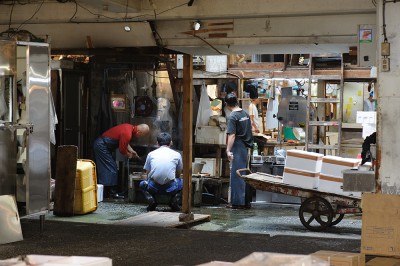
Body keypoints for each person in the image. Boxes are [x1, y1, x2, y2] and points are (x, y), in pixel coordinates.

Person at [93, 123, 150, 198]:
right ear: (139, 132)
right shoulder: (128, 133)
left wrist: (131, 150)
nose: (140, 137)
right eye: (142, 135)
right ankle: (111, 193)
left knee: (109, 168)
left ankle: (107, 192)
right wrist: (128, 155)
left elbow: (125, 141)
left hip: (103, 146)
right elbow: (122, 150)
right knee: (111, 168)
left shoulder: (129, 127)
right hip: (101, 146)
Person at [139, 132, 183, 212]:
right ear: (171, 142)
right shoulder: (177, 154)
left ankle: (152, 201)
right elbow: (178, 174)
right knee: (182, 182)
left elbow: (147, 173)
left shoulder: (151, 154)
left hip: (153, 188)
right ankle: (174, 201)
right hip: (171, 188)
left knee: (142, 184)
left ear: (157, 143)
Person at [225, 92, 254, 209]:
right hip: (247, 146)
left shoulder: (233, 116)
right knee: (245, 174)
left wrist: (228, 150)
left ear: (227, 104)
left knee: (237, 174)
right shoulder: (245, 114)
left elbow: (231, 135)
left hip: (238, 146)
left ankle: (237, 203)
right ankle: (246, 202)